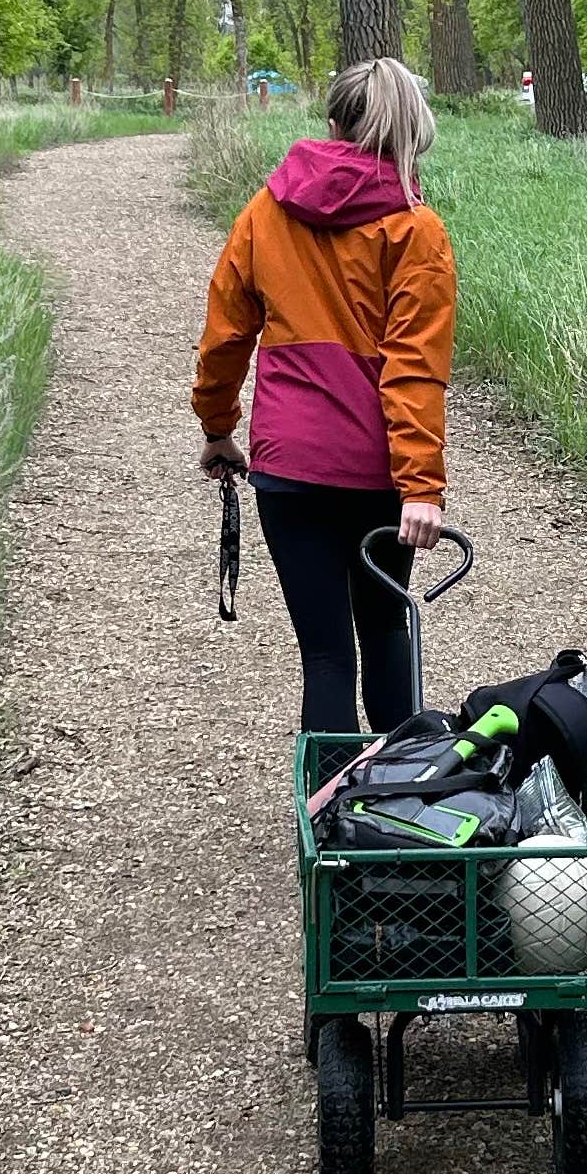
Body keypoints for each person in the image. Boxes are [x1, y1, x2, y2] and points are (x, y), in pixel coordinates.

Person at [192, 55, 453, 737]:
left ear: (333, 122)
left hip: (290, 468)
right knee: (387, 637)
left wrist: (219, 429)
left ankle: (333, 829)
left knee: (327, 657)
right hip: (379, 474)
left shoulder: (265, 212)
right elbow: (415, 368)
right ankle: (408, 818)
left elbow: (224, 336)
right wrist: (421, 485)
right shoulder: (416, 229)